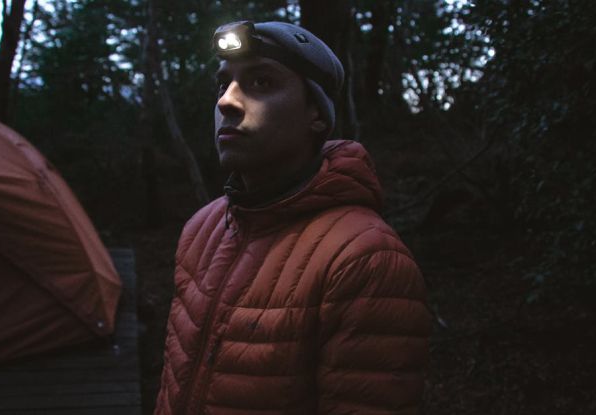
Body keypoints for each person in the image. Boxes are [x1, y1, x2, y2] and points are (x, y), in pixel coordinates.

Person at [154, 20, 431, 414]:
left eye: (261, 82)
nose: (225, 102)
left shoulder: (364, 259)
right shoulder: (201, 228)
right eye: (223, 84)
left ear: (316, 114)